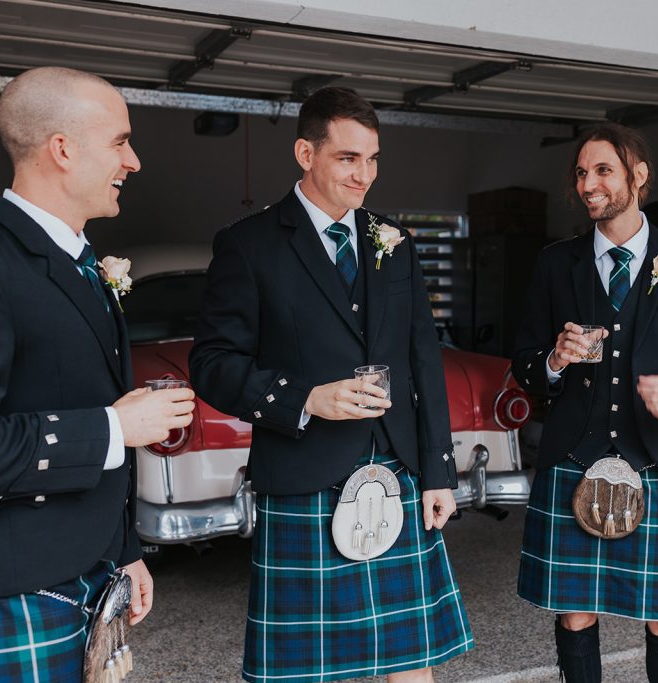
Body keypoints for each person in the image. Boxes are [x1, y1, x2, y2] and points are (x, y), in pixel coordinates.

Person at [0, 66, 194, 680]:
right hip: (7, 583)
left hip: (82, 573)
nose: (135, 161)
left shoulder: (83, 265)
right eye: (120, 141)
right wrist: (112, 429)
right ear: (61, 149)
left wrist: (125, 552)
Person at [189, 86, 472, 683]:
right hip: (305, 476)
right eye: (348, 158)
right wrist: (307, 398)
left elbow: (424, 359)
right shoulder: (250, 245)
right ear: (304, 153)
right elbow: (212, 363)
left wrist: (438, 470)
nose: (364, 174)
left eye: (372, 159)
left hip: (396, 471)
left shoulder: (393, 241)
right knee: (313, 672)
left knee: (413, 661)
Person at [511, 122, 658, 683]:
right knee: (575, 614)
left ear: (638, 176)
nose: (587, 184)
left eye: (602, 171)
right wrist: (555, 361)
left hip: (655, 461)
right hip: (571, 459)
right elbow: (523, 364)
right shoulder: (555, 262)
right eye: (581, 173)